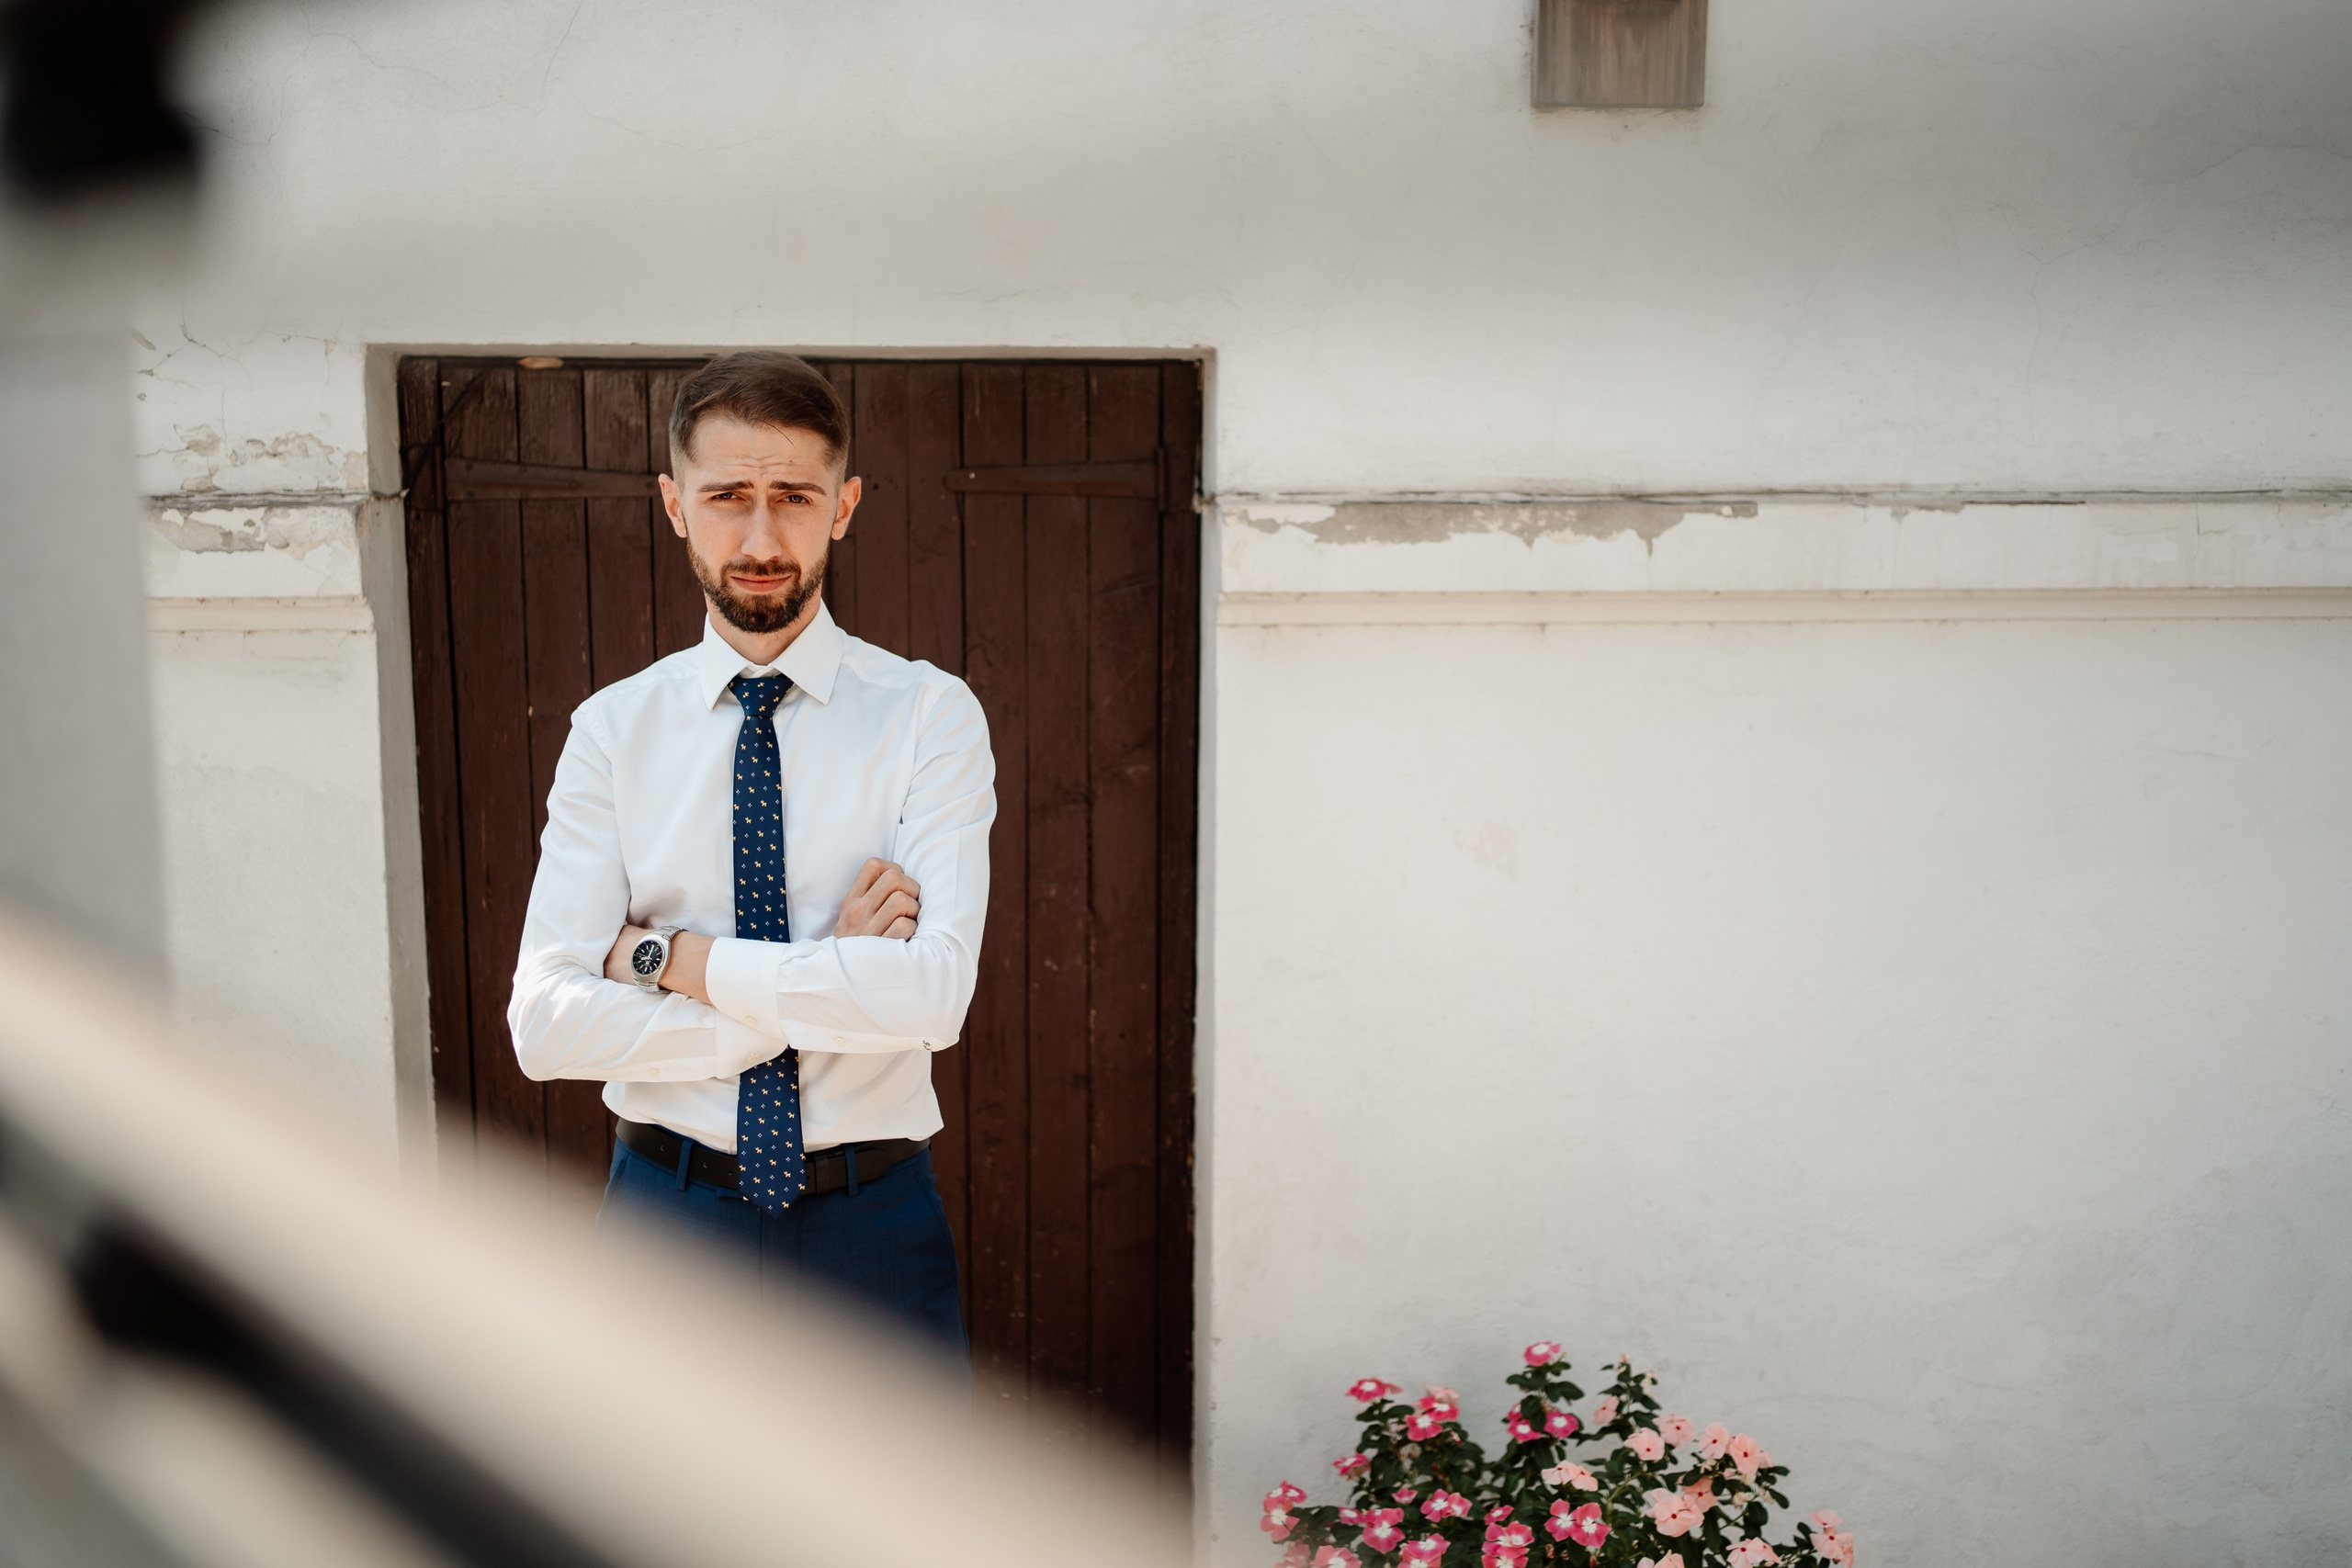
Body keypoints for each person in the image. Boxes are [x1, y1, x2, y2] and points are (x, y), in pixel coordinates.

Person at [506, 351, 993, 1363]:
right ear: (675, 505)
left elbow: (932, 1000)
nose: (761, 536)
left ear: (844, 505)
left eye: (794, 497)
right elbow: (545, 1026)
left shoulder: (927, 716)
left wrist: (668, 962)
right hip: (666, 1223)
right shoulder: (611, 731)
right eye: (728, 496)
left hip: (873, 1225)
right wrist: (815, 991)